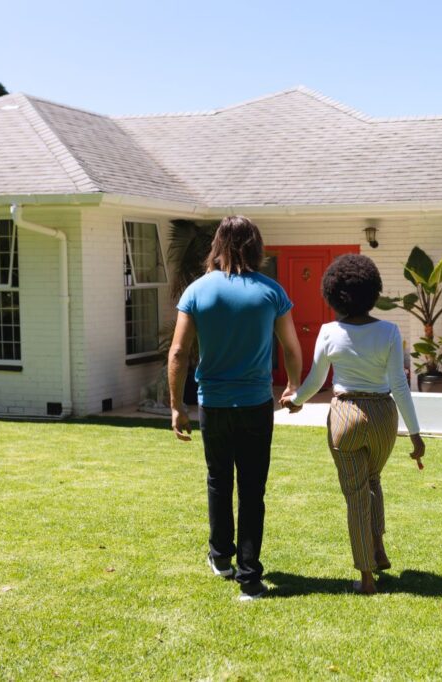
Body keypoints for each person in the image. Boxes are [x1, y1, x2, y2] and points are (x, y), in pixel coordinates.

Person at [168, 215, 303, 601]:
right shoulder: (271, 291)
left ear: (217, 246)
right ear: (256, 247)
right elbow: (291, 348)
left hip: (214, 405)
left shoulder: (197, 291)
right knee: (251, 489)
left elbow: (178, 352)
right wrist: (293, 385)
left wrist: (177, 406)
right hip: (256, 405)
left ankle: (221, 558)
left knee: (218, 480)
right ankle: (249, 577)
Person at [282, 254, 425, 595]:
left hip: (345, 414)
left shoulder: (329, 331)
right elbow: (399, 384)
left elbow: (317, 380)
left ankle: (366, 578)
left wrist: (296, 401)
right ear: (373, 291)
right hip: (383, 417)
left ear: (333, 294)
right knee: (373, 479)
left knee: (356, 496)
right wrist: (416, 434)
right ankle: (378, 548)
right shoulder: (390, 332)